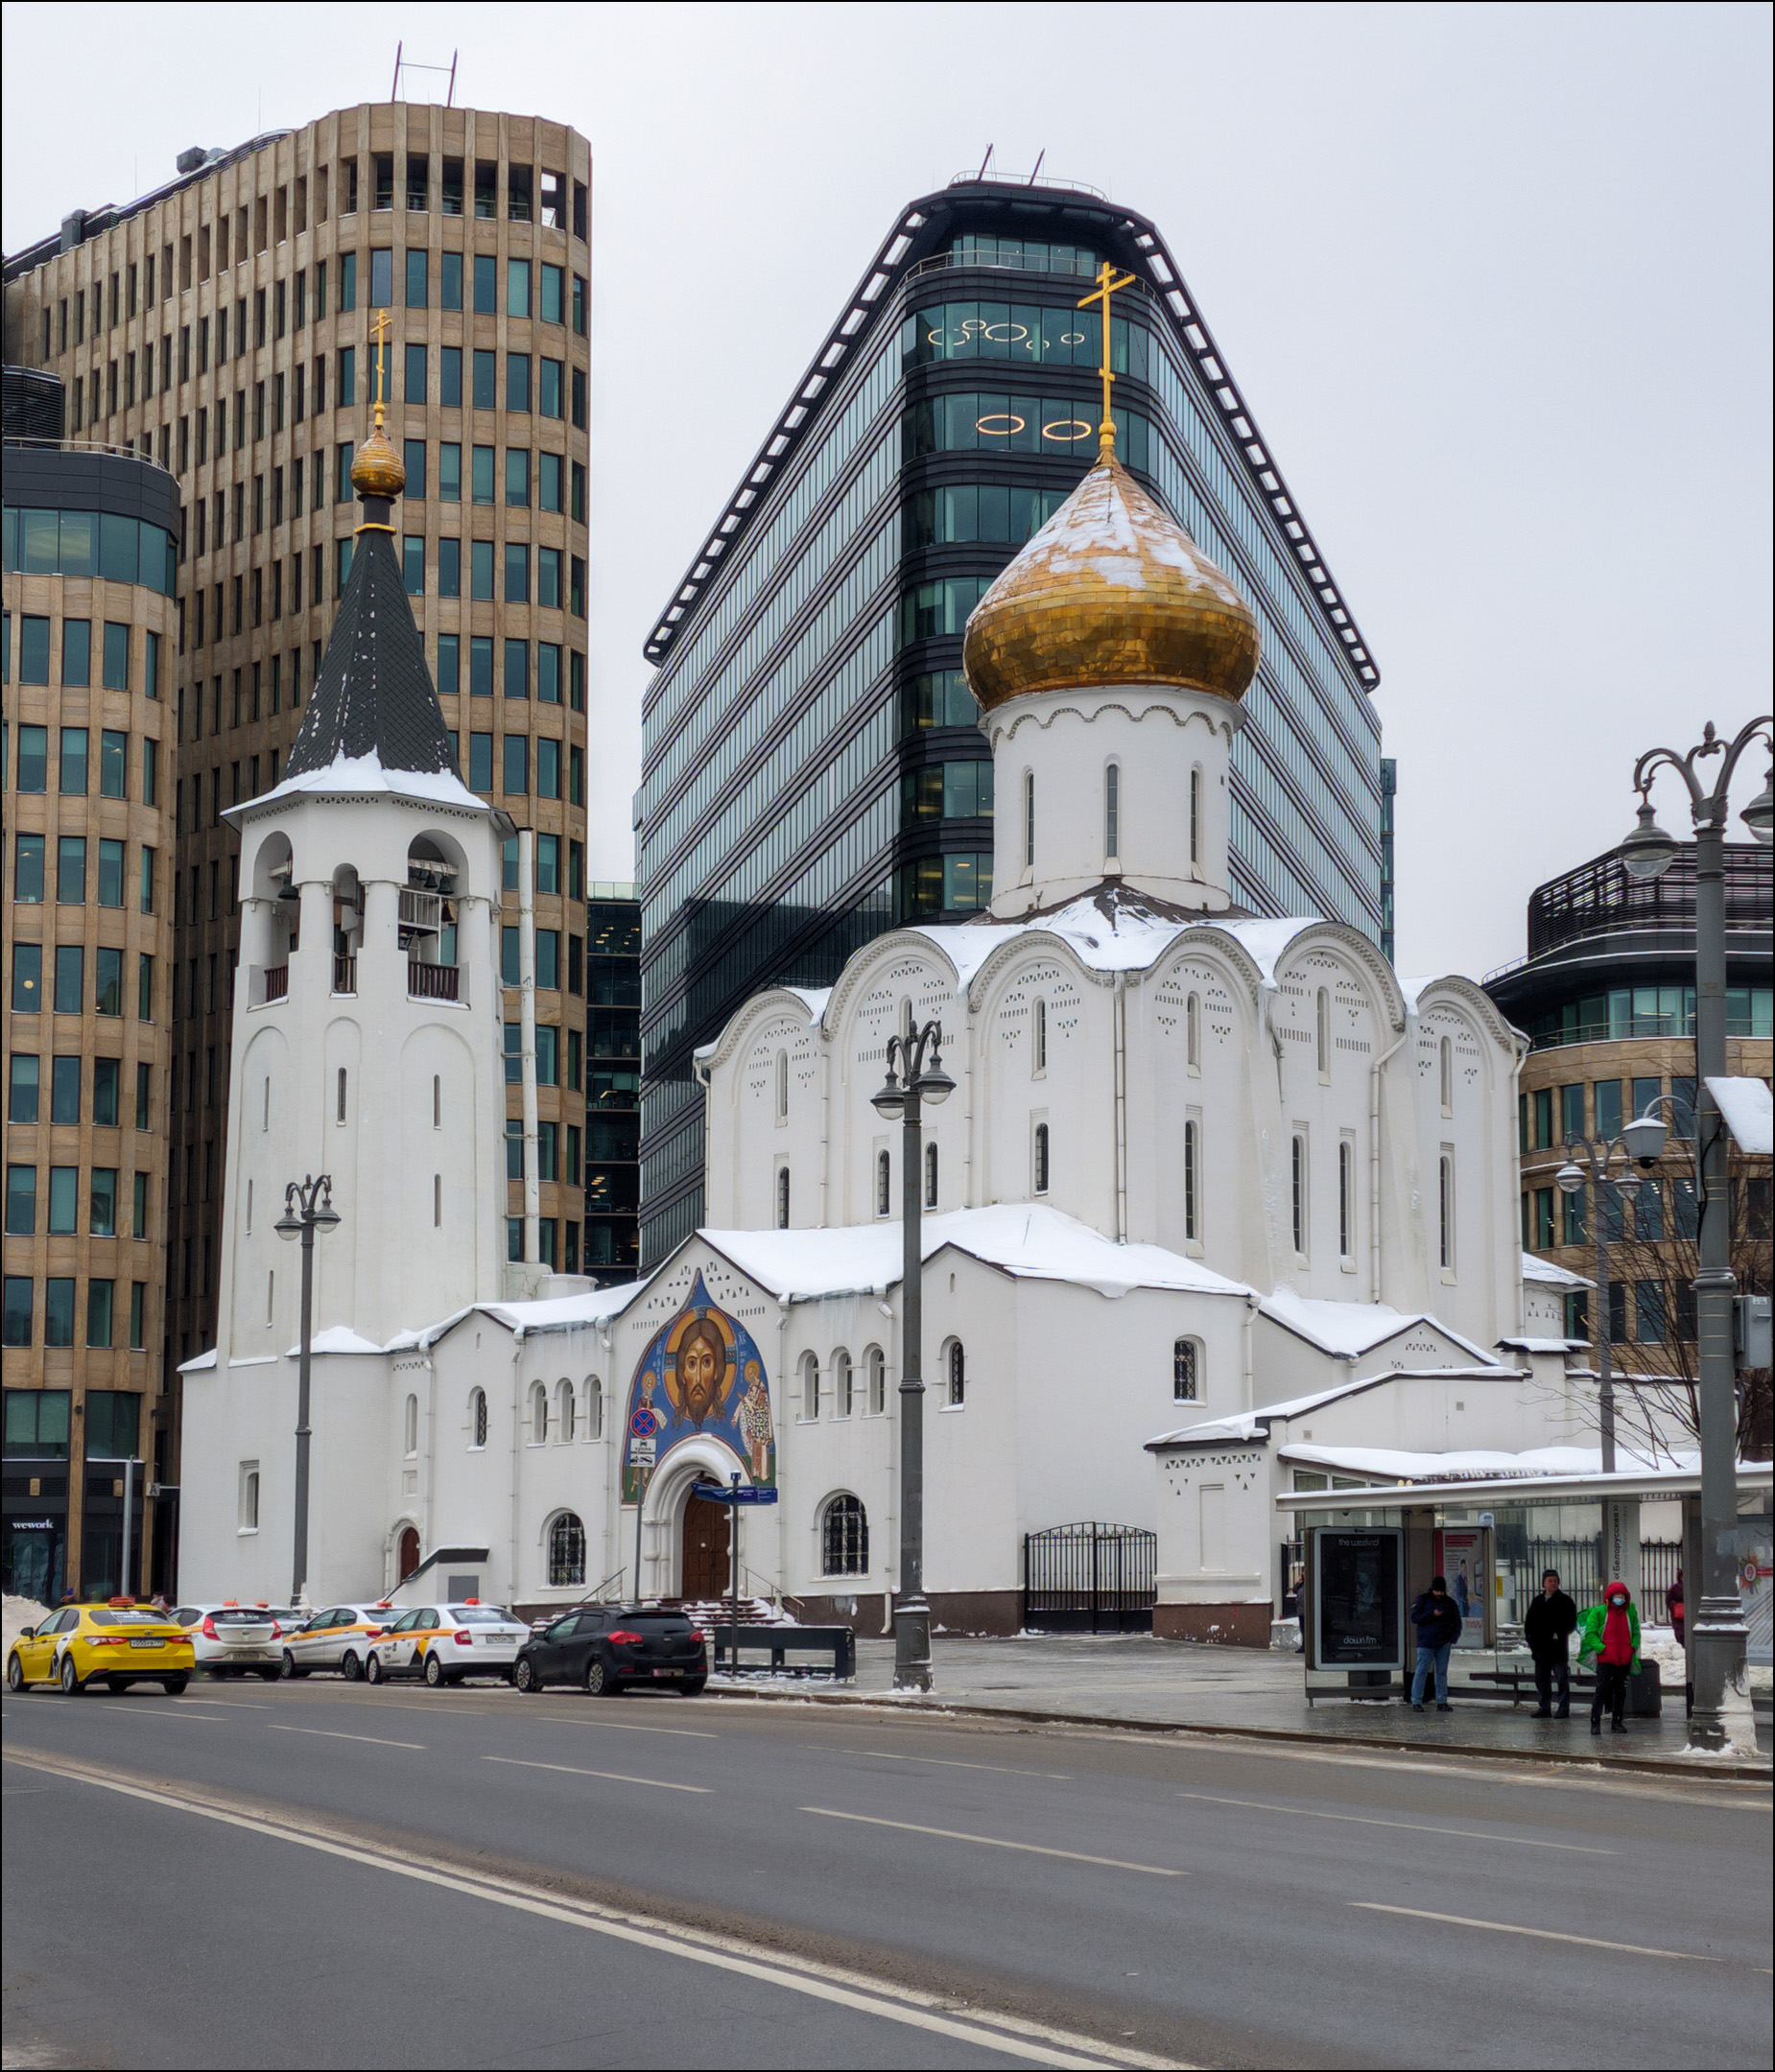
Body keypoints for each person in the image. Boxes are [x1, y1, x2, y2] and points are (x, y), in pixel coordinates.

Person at [1577, 1580, 1641, 1735]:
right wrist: (1602, 1648)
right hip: (1606, 1659)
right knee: (1602, 1690)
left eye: (1622, 1595)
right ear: (1610, 1597)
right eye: (1616, 1595)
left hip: (1623, 1658)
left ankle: (1617, 1722)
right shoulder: (1599, 1612)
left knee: (1620, 1691)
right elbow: (1590, 1634)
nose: (1619, 1597)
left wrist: (1632, 1647)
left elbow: (1636, 1631)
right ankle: (1595, 1722)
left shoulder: (1630, 1611)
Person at [1523, 1568, 1577, 1718]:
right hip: (1540, 1650)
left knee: (1561, 1680)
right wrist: (1531, 1639)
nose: (1553, 1583)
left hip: (1558, 1650)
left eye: (1555, 1581)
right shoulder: (1537, 1601)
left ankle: (1563, 1708)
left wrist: (1559, 1633)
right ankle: (1544, 1707)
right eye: (1550, 1581)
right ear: (1544, 1583)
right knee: (1541, 1680)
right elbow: (1529, 1623)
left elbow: (1571, 1622)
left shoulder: (1565, 1601)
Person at [1408, 1573, 1462, 1711]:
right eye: (1437, 1590)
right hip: (1426, 1643)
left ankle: (1442, 1701)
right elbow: (1415, 1617)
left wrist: (1452, 1639)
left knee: (1441, 1672)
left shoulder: (1449, 1603)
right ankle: (1416, 1701)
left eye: (1441, 1591)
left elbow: (1457, 1622)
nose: (1439, 1593)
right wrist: (1431, 1614)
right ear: (1432, 1589)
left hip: (1443, 1643)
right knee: (1422, 1671)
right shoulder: (1423, 1600)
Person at [1665, 1568, 1685, 1645]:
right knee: (1680, 1630)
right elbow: (1668, 1599)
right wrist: (1673, 1608)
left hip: (1685, 1613)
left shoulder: (1689, 1587)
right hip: (1678, 1613)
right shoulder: (1675, 1587)